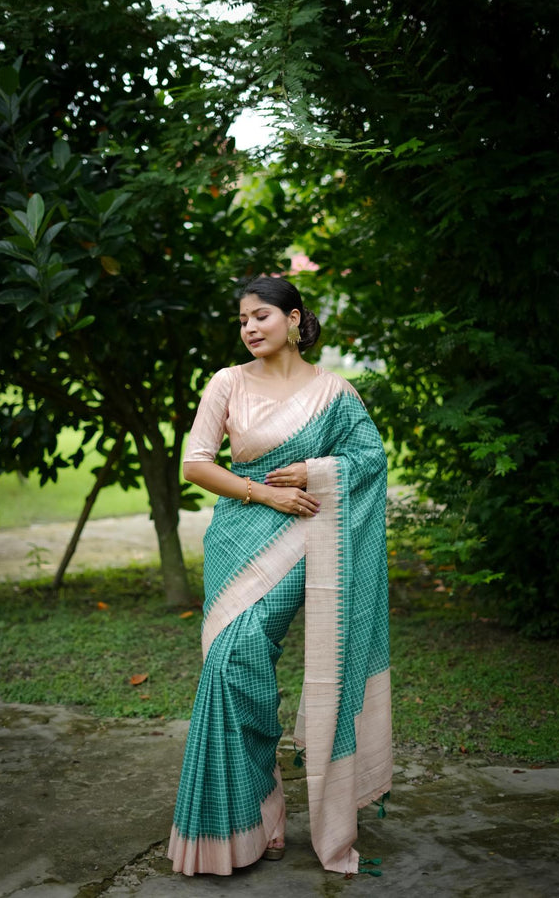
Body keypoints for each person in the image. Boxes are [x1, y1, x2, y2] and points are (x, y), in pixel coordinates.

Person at [167, 276, 392, 877]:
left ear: (294, 319)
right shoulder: (227, 382)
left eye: (261, 315)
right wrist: (263, 494)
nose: (249, 328)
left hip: (304, 545)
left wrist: (317, 472)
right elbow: (195, 464)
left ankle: (263, 814)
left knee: (239, 659)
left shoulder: (334, 393)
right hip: (238, 538)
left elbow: (371, 459)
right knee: (231, 667)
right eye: (242, 319)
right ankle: (256, 815)